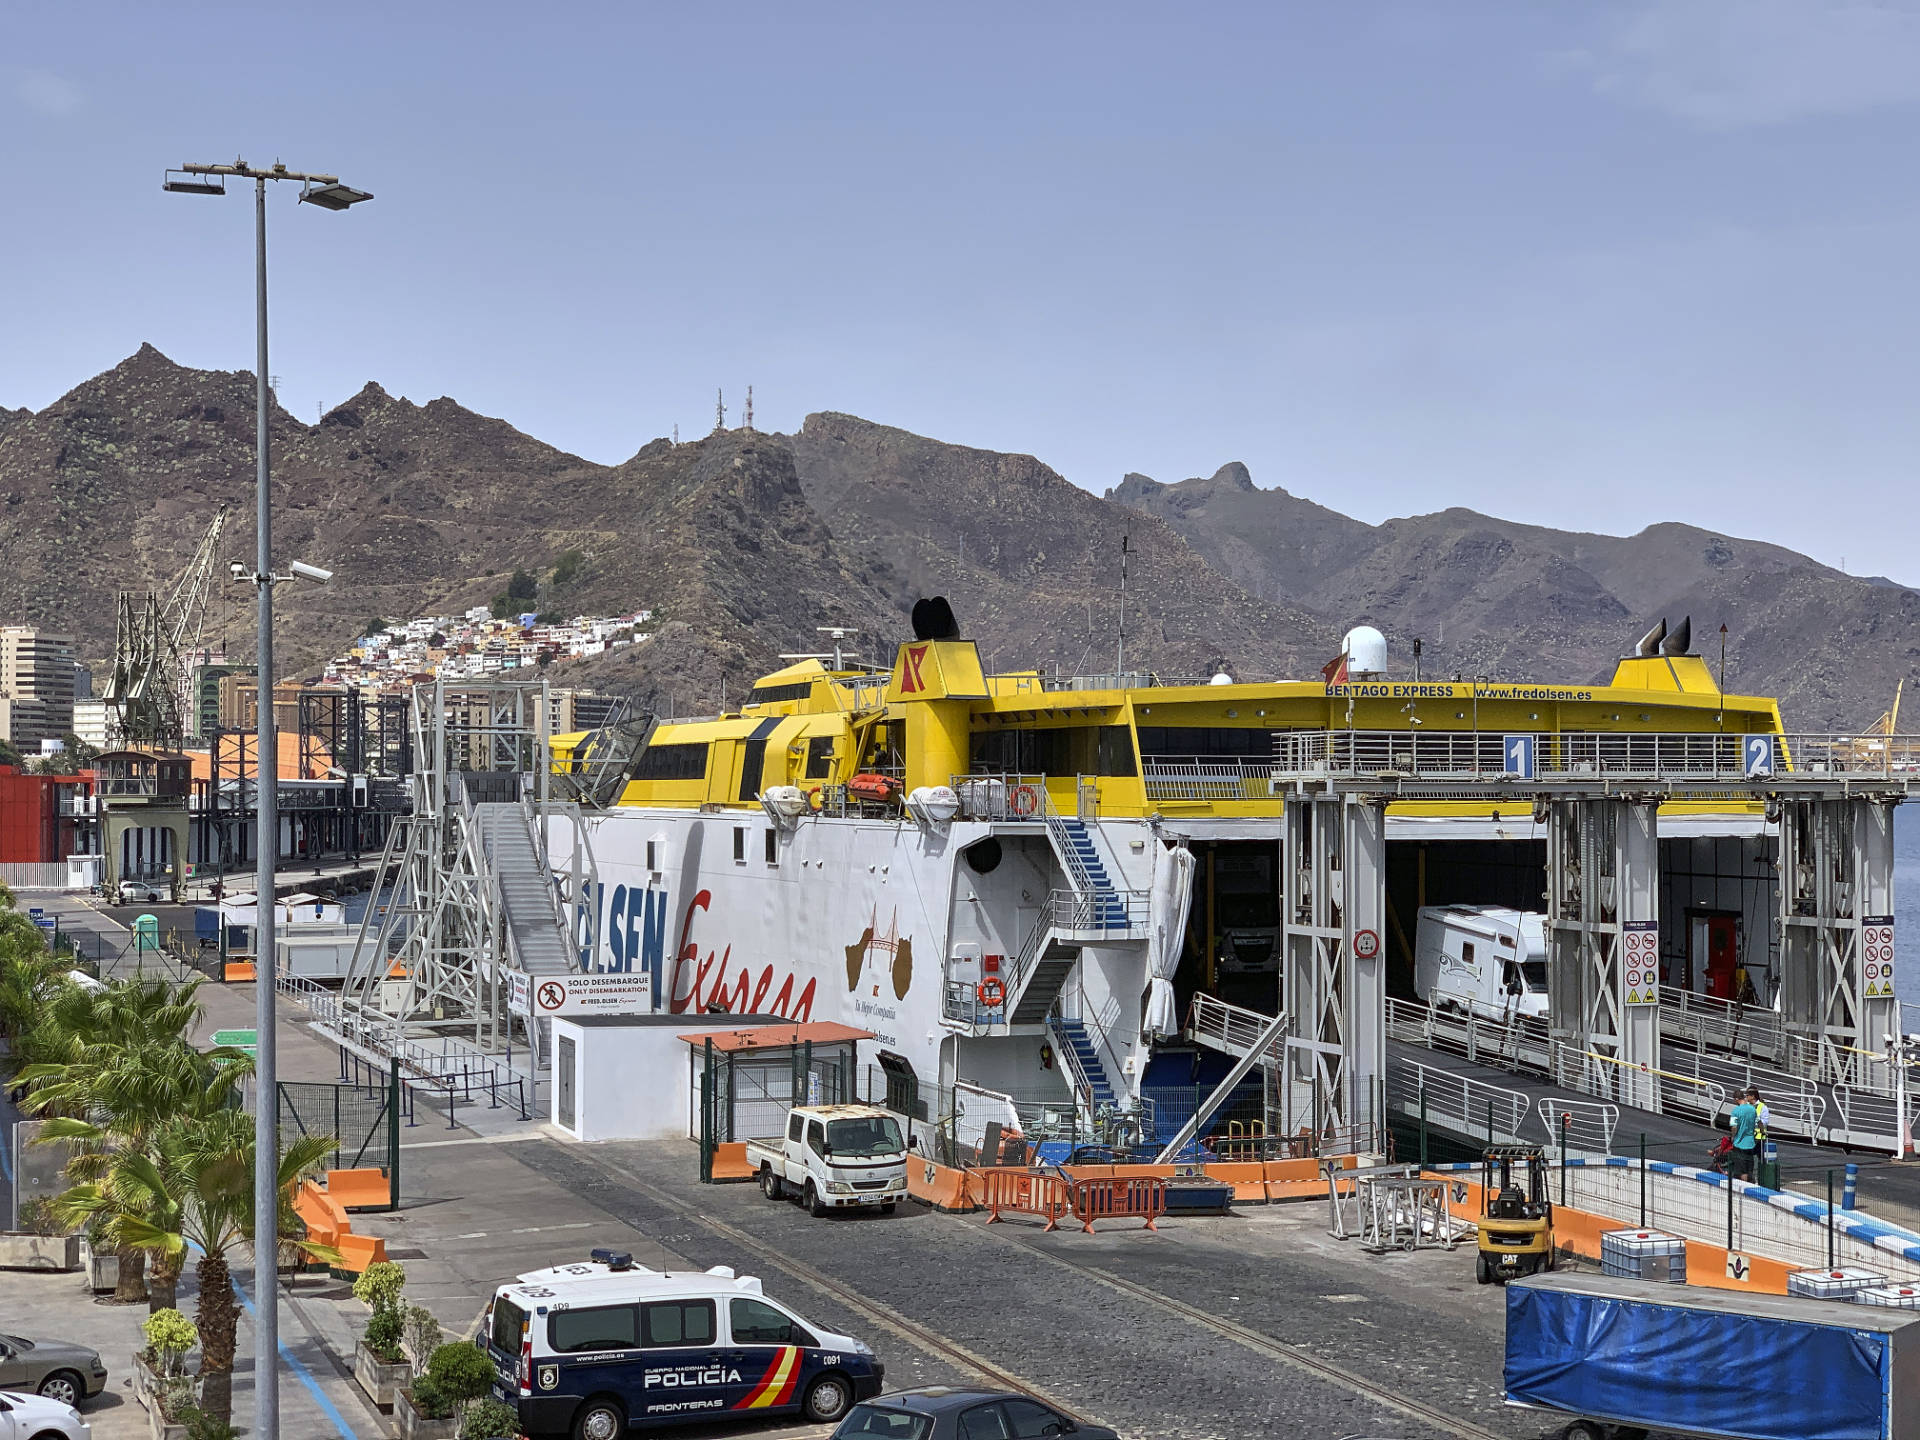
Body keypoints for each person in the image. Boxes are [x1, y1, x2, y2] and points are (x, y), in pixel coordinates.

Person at [1727, 1090, 1760, 1180]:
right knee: (1749, 1168)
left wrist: (1733, 1137)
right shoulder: (1752, 1109)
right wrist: (1762, 1132)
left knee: (1742, 1170)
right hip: (1751, 1143)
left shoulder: (1735, 1111)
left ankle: (1745, 1188)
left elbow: (1734, 1127)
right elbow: (1759, 1122)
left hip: (1740, 1143)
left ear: (1737, 1099)